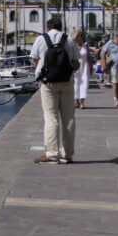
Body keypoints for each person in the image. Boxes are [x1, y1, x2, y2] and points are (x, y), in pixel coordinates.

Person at [30, 17, 81, 163]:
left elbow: (34, 60)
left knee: (51, 118)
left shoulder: (41, 39)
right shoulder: (69, 40)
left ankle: (51, 154)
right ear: (61, 27)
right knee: (69, 118)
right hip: (67, 82)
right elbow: (76, 63)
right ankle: (67, 154)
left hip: (48, 83)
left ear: (47, 28)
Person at [72, 29, 91, 109]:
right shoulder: (72, 46)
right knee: (75, 85)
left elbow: (89, 57)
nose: (81, 37)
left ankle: (82, 102)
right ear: (75, 37)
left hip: (84, 67)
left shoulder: (85, 46)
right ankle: (76, 102)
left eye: (82, 36)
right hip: (75, 67)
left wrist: (91, 67)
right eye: (79, 36)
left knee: (84, 84)